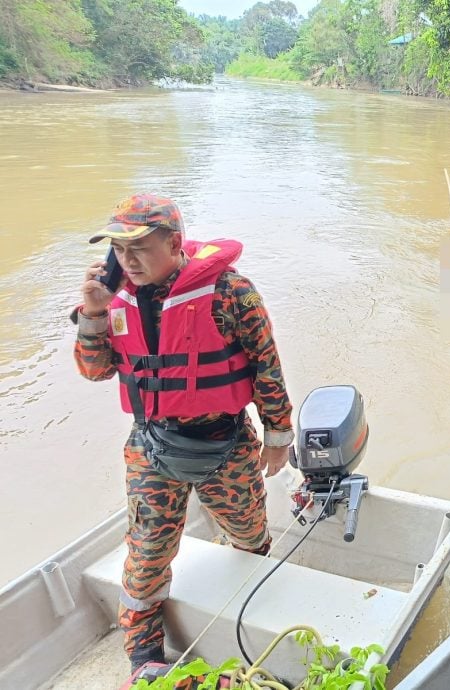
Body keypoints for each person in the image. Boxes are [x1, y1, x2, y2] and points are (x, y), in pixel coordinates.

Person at [73, 194, 294, 672]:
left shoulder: (232, 292)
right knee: (147, 554)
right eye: (118, 249)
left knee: (251, 536)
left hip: (227, 446)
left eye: (139, 248)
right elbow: (94, 371)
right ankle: (145, 658)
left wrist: (278, 438)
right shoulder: (115, 298)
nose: (126, 261)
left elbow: (267, 367)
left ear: (174, 243)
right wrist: (92, 312)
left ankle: (254, 620)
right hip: (152, 448)